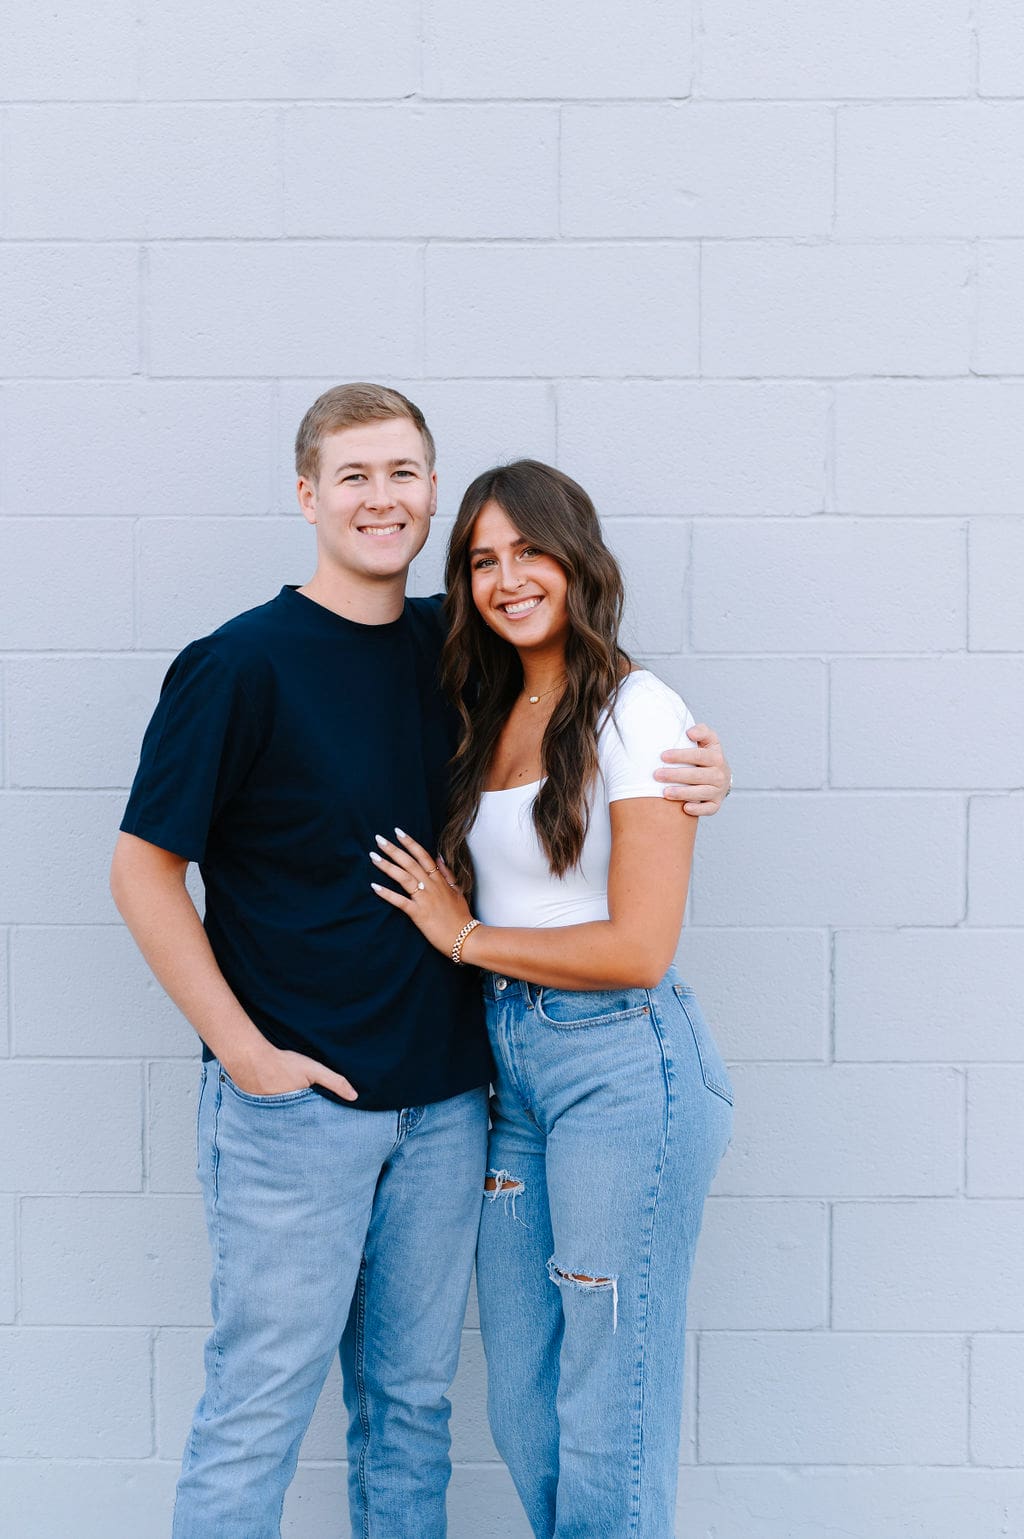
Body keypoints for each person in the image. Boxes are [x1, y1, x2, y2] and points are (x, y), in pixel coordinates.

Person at [109, 384, 732, 1539]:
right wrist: (246, 1058)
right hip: (295, 1106)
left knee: (410, 1410)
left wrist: (697, 768)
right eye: (352, 475)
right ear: (307, 496)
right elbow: (142, 871)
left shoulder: (460, 650)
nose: (380, 498)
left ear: (431, 490)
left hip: (449, 1107)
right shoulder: (238, 665)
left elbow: (592, 703)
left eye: (402, 473)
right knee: (258, 1406)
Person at [369, 459, 733, 1539]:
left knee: (609, 1391)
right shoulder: (484, 703)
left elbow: (639, 949)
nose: (508, 577)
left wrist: (464, 936)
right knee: (526, 1398)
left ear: (576, 557)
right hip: (513, 1071)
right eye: (483, 560)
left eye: (529, 550)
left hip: (621, 1066)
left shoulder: (636, 708)